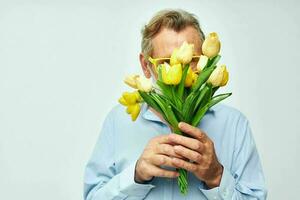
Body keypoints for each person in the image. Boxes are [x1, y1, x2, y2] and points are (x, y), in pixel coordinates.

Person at [83, 9, 267, 200]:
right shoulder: (118, 120)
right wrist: (135, 175)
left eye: (192, 60)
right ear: (146, 65)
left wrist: (216, 176)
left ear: (206, 61)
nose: (181, 69)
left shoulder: (234, 124)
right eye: (166, 61)